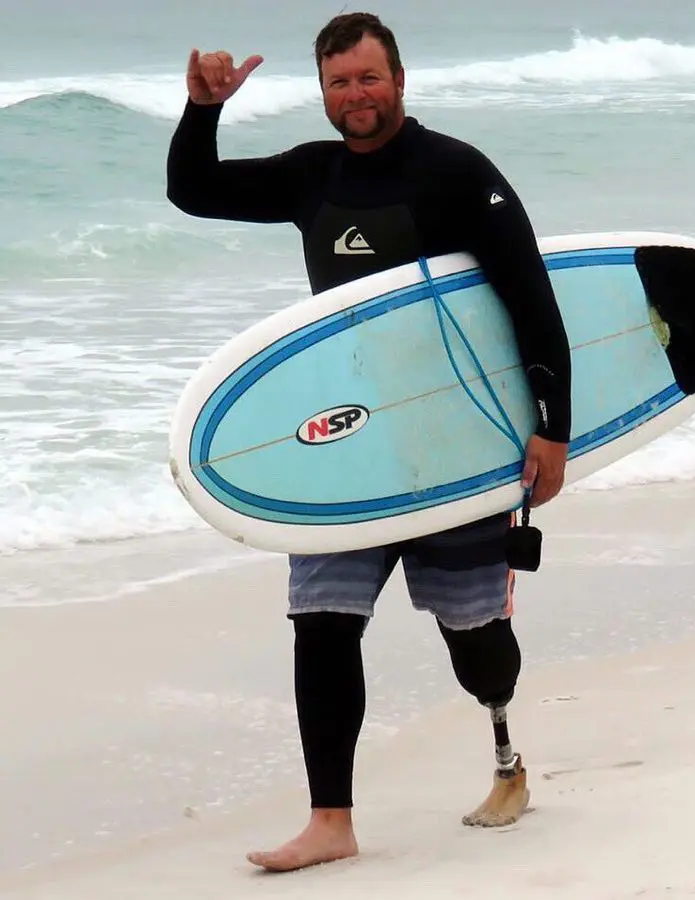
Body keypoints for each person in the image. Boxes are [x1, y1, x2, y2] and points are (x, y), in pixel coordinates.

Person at [166, 11, 572, 873]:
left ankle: (503, 737)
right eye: (339, 82)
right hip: (351, 446)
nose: (355, 96)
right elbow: (192, 191)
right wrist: (202, 110)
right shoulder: (313, 177)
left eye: (368, 78)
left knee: (474, 644)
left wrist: (552, 428)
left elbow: (531, 295)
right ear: (321, 93)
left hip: (454, 443)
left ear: (399, 78)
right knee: (321, 620)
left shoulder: (459, 172)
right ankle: (331, 822)